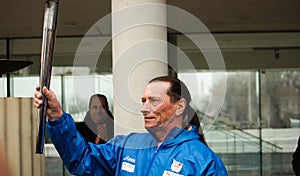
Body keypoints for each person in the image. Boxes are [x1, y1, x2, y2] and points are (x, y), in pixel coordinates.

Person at [34, 75, 228, 175]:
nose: (144, 108)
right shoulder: (128, 146)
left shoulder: (203, 161)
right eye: (143, 100)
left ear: (179, 107)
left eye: (153, 100)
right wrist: (57, 117)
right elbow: (82, 160)